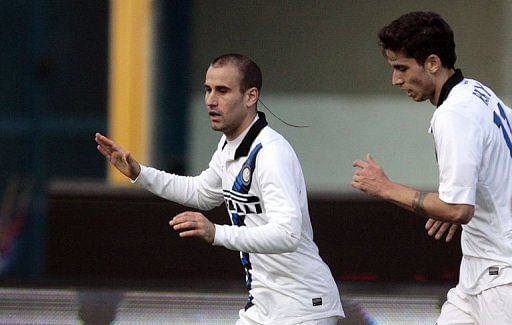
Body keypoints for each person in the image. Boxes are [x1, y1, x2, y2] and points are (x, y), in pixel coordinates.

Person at [96, 53, 344, 324]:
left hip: (303, 308)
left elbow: (287, 234)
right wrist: (139, 173)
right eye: (208, 90)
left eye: (222, 91)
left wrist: (216, 232)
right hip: (264, 308)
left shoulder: (271, 153)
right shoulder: (229, 147)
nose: (211, 101)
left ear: (250, 96)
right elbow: (201, 193)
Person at [352, 11, 512, 324]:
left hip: (501, 275)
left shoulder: (454, 113)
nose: (395, 80)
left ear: (433, 63)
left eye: (402, 68)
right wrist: (464, 196)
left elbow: (457, 210)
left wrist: (386, 187)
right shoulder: (478, 92)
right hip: (478, 275)